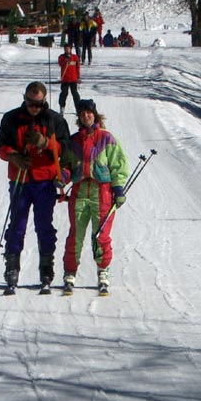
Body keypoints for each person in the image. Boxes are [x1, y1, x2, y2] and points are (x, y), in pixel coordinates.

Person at [0, 81, 71, 293]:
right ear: (25, 98)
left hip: (44, 181)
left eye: (38, 104)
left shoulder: (54, 120)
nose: (34, 107)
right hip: (20, 179)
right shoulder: (11, 118)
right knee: (17, 224)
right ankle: (12, 267)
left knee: (44, 225)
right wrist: (14, 156)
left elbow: (66, 149)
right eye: (30, 102)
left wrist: (46, 143)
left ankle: (46, 268)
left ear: (44, 101)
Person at [60, 99, 129, 296]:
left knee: (101, 236)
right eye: (82, 114)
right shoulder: (73, 142)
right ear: (79, 118)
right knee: (76, 235)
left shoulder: (107, 139)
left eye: (89, 112)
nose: (86, 116)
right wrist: (62, 178)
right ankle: (70, 273)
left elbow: (118, 165)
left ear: (95, 115)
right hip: (80, 192)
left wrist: (118, 188)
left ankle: (103, 271)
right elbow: (66, 165)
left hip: (102, 193)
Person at [58, 44, 81, 116]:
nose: (67, 50)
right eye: (66, 49)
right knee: (64, 94)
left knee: (75, 94)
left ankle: (78, 109)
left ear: (71, 49)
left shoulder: (75, 57)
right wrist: (66, 60)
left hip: (73, 79)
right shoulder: (61, 57)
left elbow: (78, 67)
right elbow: (60, 63)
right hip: (65, 79)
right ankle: (62, 108)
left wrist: (78, 76)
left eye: (68, 49)